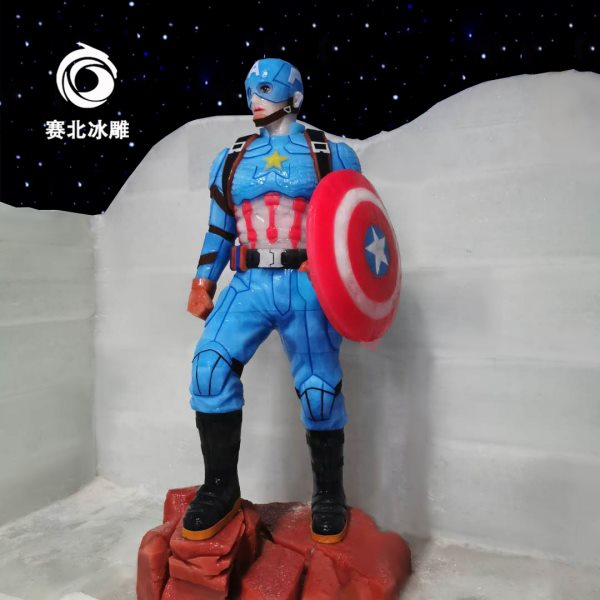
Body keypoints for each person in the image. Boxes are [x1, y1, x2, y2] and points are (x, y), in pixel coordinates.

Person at [182, 58, 362, 544]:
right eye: (250, 89)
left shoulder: (331, 153)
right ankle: (220, 488)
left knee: (320, 392)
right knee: (208, 370)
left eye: (265, 88)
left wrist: (334, 269)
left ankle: (329, 494)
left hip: (306, 285)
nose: (254, 98)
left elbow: (355, 222)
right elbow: (219, 226)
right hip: (248, 283)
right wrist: (203, 280)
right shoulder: (232, 156)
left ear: (294, 96)